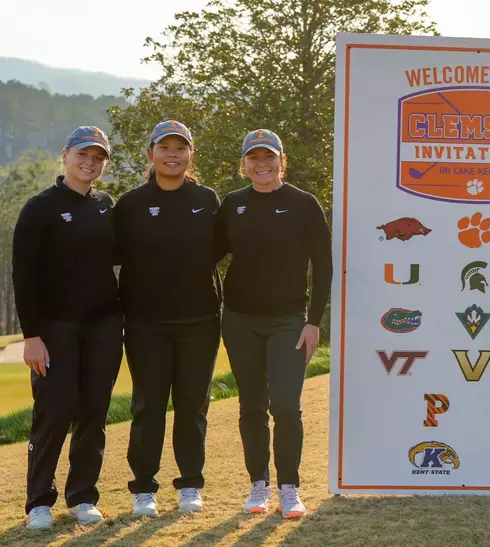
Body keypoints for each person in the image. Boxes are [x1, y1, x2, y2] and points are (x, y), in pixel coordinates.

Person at [215, 129, 332, 518]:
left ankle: (289, 487)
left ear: (282, 161)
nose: (261, 164)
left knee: (285, 406)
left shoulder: (303, 204)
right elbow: (205, 256)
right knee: (251, 406)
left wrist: (313, 322)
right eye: (254, 158)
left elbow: (324, 266)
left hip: (287, 322)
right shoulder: (233, 204)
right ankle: (258, 485)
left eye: (269, 157)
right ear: (244, 164)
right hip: (239, 321)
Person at [12, 127, 122, 529]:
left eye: (98, 157)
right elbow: (23, 276)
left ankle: (82, 496)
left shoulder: (105, 205)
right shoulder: (39, 207)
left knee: (94, 411)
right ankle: (39, 501)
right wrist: (32, 337)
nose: (90, 162)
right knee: (54, 412)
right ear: (66, 155)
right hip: (55, 328)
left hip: (104, 326)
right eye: (83, 154)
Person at [114, 120, 221, 517]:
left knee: (193, 406)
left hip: (200, 321)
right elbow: (111, 253)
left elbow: (223, 247)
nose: (172, 154)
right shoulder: (131, 204)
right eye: (164, 147)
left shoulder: (208, 199)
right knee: (149, 406)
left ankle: (190, 484)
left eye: (180, 147)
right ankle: (144, 488)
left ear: (191, 154)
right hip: (145, 322)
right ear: (151, 154)